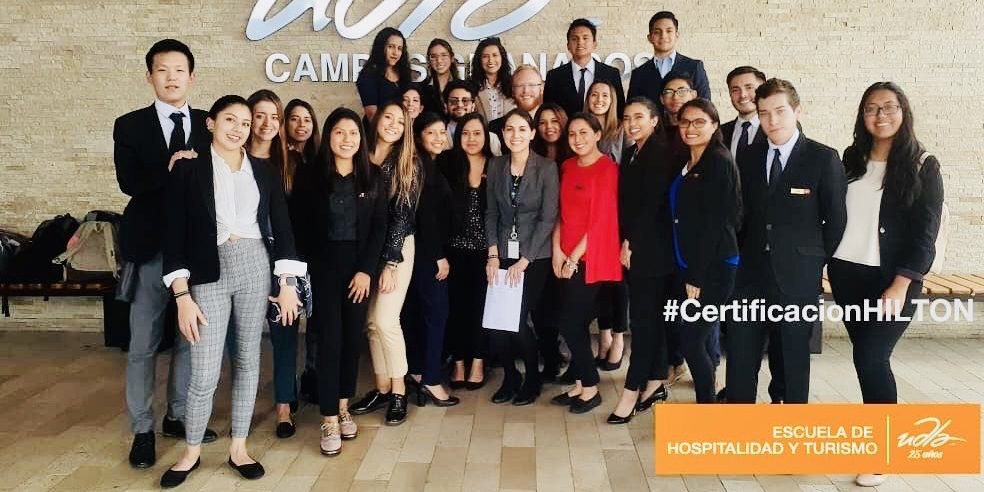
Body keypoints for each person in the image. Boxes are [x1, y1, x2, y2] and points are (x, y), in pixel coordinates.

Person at [159, 95, 306, 487]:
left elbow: (283, 228)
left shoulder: (264, 170)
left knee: (247, 360)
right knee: (205, 368)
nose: (239, 128)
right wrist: (182, 296)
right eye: (230, 120)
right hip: (208, 273)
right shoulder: (189, 169)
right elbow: (174, 235)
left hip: (255, 266)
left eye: (245, 122)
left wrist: (287, 283)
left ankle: (239, 447)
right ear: (211, 123)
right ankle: (191, 452)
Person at [829, 82, 943, 488]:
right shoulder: (851, 158)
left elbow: (926, 233)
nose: (881, 115)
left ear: (903, 111)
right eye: (872, 108)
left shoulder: (923, 165)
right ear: (862, 115)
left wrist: (901, 284)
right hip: (848, 276)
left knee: (871, 357)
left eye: (889, 107)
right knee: (867, 358)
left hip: (894, 281)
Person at [113, 38, 216, 470]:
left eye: (179, 70)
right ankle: (142, 429)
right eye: (162, 70)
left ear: (192, 77)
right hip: (151, 247)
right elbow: (129, 182)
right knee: (143, 343)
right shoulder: (129, 125)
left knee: (191, 339)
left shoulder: (209, 123)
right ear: (149, 76)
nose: (171, 78)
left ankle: (177, 415)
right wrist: (170, 166)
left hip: (195, 250)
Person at [727, 78, 847, 405]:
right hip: (750, 276)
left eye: (780, 111)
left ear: (797, 110)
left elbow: (836, 220)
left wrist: (813, 261)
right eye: (764, 113)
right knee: (740, 355)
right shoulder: (748, 156)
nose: (772, 120)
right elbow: (740, 214)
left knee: (792, 358)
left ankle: (789, 418)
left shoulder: (823, 158)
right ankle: (737, 421)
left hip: (798, 277)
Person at [292, 107, 387, 456]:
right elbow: (299, 225)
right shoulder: (310, 175)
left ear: (361, 138)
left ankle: (344, 405)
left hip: (359, 269)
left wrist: (366, 270)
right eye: (339, 132)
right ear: (328, 136)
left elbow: (379, 227)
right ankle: (329, 417)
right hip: (323, 268)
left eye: (353, 133)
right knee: (329, 339)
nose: (347, 139)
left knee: (351, 339)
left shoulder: (373, 176)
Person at [716, 66, 784, 404]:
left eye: (749, 87)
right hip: (732, 245)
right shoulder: (722, 132)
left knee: (777, 330)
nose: (742, 94)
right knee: (739, 325)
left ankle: (780, 393)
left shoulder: (781, 131)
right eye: (734, 89)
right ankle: (739, 389)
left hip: (771, 250)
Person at [348, 102, 419, 426]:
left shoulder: (407, 162)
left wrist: (391, 262)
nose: (393, 124)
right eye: (388, 117)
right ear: (376, 120)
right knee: (370, 323)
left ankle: (400, 391)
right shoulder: (359, 155)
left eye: (400, 121)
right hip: (365, 248)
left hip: (397, 247)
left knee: (386, 320)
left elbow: (403, 216)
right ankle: (382, 388)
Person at [607, 97, 676, 423]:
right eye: (627, 118)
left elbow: (651, 206)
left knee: (644, 323)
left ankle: (631, 391)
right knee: (651, 320)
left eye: (639, 117)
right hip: (640, 250)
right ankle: (656, 381)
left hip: (651, 252)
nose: (632, 123)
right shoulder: (634, 151)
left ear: (654, 120)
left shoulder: (659, 153)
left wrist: (629, 243)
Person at [485, 109, 559, 406]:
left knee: (515, 318)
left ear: (532, 133)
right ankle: (510, 376)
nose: (515, 135)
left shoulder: (547, 168)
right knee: (497, 322)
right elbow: (491, 213)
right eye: (509, 129)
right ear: (503, 134)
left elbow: (548, 217)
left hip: (535, 256)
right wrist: (493, 254)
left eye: (521, 129)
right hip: (502, 252)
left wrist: (525, 259)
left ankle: (532, 377)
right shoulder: (496, 165)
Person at [550, 113, 622, 414]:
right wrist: (557, 250)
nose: (577, 139)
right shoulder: (567, 166)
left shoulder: (607, 169)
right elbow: (561, 213)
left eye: (583, 133)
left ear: (597, 134)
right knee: (571, 322)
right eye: (572, 134)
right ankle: (580, 384)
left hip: (590, 258)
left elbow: (602, 221)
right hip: (564, 256)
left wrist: (573, 258)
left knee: (571, 322)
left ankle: (590, 387)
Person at [670, 99, 741, 404]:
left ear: (714, 125)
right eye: (685, 122)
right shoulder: (687, 160)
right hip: (690, 264)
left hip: (713, 267)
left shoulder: (718, 162)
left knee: (692, 340)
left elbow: (717, 224)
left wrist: (696, 276)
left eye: (699, 122)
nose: (690, 128)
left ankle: (706, 406)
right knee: (691, 339)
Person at [244, 90, 305, 438]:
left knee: (285, 331)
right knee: (242, 337)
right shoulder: (232, 159)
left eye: (274, 117)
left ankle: (284, 404)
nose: (267, 123)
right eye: (260, 115)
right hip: (244, 256)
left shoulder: (291, 163)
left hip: (282, 257)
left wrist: (291, 272)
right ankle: (243, 405)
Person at [403, 112, 459, 407]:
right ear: (418, 136)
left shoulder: (431, 164)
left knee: (418, 313)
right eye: (431, 133)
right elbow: (424, 216)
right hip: (428, 254)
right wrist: (439, 256)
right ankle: (432, 379)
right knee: (437, 314)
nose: (438, 138)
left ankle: (416, 371)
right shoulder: (421, 166)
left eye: (441, 132)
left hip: (423, 252)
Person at [442, 112, 493, 390]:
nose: (471, 139)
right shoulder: (448, 164)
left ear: (485, 136)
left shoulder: (496, 165)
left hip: (487, 253)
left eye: (477, 133)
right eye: (465, 133)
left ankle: (478, 361)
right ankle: (459, 361)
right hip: (454, 251)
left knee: (481, 309)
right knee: (456, 309)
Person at [583, 79, 631, 373]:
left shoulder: (621, 131)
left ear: (613, 100)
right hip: (590, 217)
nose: (599, 99)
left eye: (605, 95)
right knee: (598, 278)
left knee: (617, 281)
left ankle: (619, 338)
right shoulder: (582, 129)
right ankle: (603, 336)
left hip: (616, 216)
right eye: (594, 94)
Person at [658, 72, 697, 384]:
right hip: (663, 236)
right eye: (669, 92)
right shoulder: (657, 134)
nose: (675, 97)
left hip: (693, 237)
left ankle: (705, 369)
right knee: (670, 306)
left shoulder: (703, 137)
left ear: (693, 94)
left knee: (696, 309)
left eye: (681, 91)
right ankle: (675, 361)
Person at [283, 98, 321, 404]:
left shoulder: (321, 159)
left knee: (317, 317)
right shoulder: (280, 160)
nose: (301, 125)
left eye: (307, 119)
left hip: (316, 249)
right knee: (289, 317)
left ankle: (312, 374)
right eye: (295, 119)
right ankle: (287, 387)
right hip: (289, 249)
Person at [530, 103, 571, 381]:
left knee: (566, 305)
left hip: (570, 240)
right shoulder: (532, 157)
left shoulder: (574, 154)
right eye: (542, 122)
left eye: (554, 121)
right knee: (542, 305)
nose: (548, 127)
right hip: (539, 240)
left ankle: (576, 363)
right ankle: (551, 357)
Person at [544, 18, 625, 119]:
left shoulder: (611, 74)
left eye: (585, 38)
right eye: (574, 39)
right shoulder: (554, 77)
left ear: (594, 44)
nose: (580, 42)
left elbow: (620, 110)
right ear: (568, 45)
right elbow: (548, 112)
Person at [627, 11, 711, 109]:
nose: (663, 36)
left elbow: (705, 105)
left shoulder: (694, 67)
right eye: (657, 32)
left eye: (669, 31)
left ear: (677, 35)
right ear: (650, 38)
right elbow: (631, 108)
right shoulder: (638, 74)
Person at [357, 27, 411, 122]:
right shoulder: (368, 75)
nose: (395, 53)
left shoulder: (404, 74)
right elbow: (372, 115)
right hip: (379, 129)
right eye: (391, 47)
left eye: (399, 48)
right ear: (381, 47)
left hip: (401, 127)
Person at [443, 79, 502, 155]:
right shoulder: (437, 136)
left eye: (465, 100)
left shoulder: (491, 139)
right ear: (446, 105)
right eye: (454, 101)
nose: (460, 105)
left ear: (473, 106)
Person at [489, 64, 544, 142]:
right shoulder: (495, 128)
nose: (526, 90)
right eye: (520, 85)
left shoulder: (550, 127)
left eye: (532, 85)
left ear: (541, 88)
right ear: (513, 91)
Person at [469, 37, 515, 121]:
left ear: (502, 57)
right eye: (485, 56)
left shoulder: (513, 85)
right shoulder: (471, 87)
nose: (490, 60)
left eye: (495, 55)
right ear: (479, 60)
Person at [422, 38, 460, 116]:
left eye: (444, 55)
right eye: (433, 56)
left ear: (452, 58)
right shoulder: (422, 88)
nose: (439, 60)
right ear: (428, 60)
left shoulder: (462, 86)